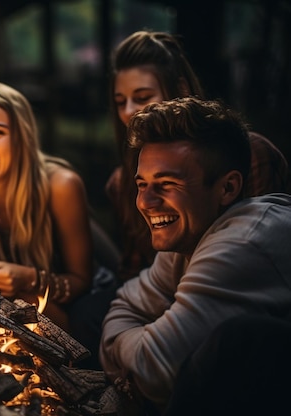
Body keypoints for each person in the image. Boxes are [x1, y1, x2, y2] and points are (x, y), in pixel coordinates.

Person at [99, 96, 291, 416]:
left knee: (236, 340)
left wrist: (123, 345)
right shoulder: (190, 233)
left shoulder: (243, 243)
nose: (145, 202)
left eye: (167, 184)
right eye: (142, 184)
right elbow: (123, 305)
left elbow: (151, 371)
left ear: (227, 188)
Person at [106, 30, 290, 283]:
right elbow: (133, 274)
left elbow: (264, 255)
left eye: (143, 97)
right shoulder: (121, 182)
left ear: (181, 88)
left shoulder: (251, 155)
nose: (128, 112)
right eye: (120, 101)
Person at [0, 81, 98, 332]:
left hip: (72, 308)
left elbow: (82, 281)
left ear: (21, 137)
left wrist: (29, 278)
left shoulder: (61, 185)